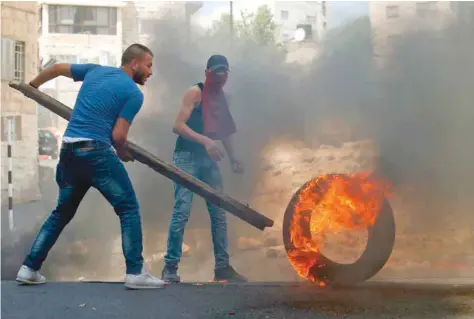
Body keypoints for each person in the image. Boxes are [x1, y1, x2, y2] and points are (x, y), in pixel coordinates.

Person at [16, 44, 165, 290]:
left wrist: (33, 87)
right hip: (96, 152)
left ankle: (29, 268)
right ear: (135, 63)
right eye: (149, 65)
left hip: (69, 150)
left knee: (61, 213)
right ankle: (136, 272)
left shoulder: (95, 71)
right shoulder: (133, 93)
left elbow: (55, 68)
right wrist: (123, 153)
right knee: (128, 208)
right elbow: (118, 136)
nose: (150, 72)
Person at [161, 55, 247, 283]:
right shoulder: (195, 93)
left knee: (218, 213)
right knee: (182, 211)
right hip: (186, 156)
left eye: (224, 72)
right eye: (216, 72)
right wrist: (206, 142)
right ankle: (170, 267)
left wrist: (233, 158)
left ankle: (222, 267)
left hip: (209, 161)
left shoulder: (225, 98)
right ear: (207, 72)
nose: (220, 77)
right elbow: (177, 126)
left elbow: (225, 131)